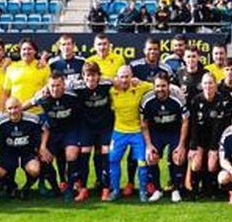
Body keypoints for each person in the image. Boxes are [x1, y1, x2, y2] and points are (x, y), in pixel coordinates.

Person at [107, 66, 154, 201]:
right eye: (121, 77)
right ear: (117, 77)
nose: (124, 80)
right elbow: (97, 80)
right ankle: (116, 190)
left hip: (137, 132)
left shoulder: (139, 87)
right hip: (119, 132)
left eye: (127, 76)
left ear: (131, 76)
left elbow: (157, 86)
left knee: (142, 162)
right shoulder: (111, 90)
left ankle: (143, 191)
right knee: (113, 160)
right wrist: (111, 80)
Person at [37, 73, 87, 201]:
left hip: (71, 130)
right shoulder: (43, 97)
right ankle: (55, 188)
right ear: (48, 86)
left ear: (64, 85)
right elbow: (28, 104)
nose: (55, 88)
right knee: (44, 157)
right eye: (52, 86)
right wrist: (15, 110)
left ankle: (70, 188)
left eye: (58, 85)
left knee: (71, 154)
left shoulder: (73, 96)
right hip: (53, 132)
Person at [140, 72, 188, 202]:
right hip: (156, 132)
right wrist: (149, 145)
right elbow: (144, 123)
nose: (160, 89)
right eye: (157, 86)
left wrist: (181, 145)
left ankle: (176, 189)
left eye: (163, 86)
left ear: (168, 86)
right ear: (153, 86)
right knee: (151, 157)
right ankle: (157, 189)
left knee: (178, 157)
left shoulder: (177, 98)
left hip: (174, 131)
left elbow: (185, 122)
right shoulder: (147, 99)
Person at [185, 72, 232, 201]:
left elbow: (219, 127)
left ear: (216, 85)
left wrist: (214, 148)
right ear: (202, 85)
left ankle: (212, 190)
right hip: (200, 138)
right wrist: (193, 146)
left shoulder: (222, 101)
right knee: (196, 164)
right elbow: (193, 125)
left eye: (211, 83)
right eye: (205, 83)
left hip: (216, 138)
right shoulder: (196, 100)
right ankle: (194, 190)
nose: (208, 86)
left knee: (212, 164)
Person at [75, 61, 114, 197]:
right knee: (84, 153)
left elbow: (120, 82)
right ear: (83, 76)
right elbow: (57, 86)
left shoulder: (106, 84)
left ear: (99, 76)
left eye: (94, 76)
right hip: (87, 126)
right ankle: (84, 188)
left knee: (104, 151)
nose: (90, 79)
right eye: (87, 76)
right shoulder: (77, 87)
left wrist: (133, 81)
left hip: (105, 125)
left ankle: (105, 187)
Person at [0, 95, 44, 198]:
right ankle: (10, 185)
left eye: (16, 107)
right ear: (6, 110)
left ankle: (26, 187)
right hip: (9, 154)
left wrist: (42, 148)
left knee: (35, 170)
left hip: (27, 153)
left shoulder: (32, 119)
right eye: (10, 108)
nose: (13, 111)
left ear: (21, 107)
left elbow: (45, 130)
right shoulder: (0, 123)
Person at [4, 40, 51, 112]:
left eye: (29, 49)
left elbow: (48, 88)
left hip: (37, 112)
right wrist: (3, 111)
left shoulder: (43, 67)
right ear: (20, 52)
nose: (26, 52)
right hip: (16, 112)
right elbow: (6, 93)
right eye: (24, 49)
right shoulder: (12, 67)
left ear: (35, 51)